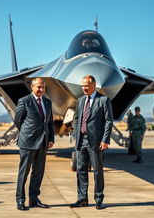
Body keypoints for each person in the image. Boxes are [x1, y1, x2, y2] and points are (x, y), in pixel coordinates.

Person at [70, 75, 113, 210]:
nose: (84, 88)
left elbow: (108, 121)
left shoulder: (103, 100)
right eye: (82, 85)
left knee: (98, 171)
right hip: (81, 141)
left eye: (86, 86)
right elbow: (76, 119)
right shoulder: (80, 100)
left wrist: (105, 140)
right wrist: (77, 134)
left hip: (95, 142)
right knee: (81, 170)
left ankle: (98, 199)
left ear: (94, 85)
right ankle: (82, 198)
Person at [15, 77, 54, 211]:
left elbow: (49, 123)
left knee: (38, 173)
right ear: (32, 87)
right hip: (28, 143)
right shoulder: (24, 101)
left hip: (43, 143)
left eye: (43, 87)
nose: (41, 89)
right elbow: (18, 121)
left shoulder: (48, 102)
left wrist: (51, 139)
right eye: (38, 87)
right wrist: (27, 134)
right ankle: (20, 200)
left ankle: (34, 199)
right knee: (23, 173)